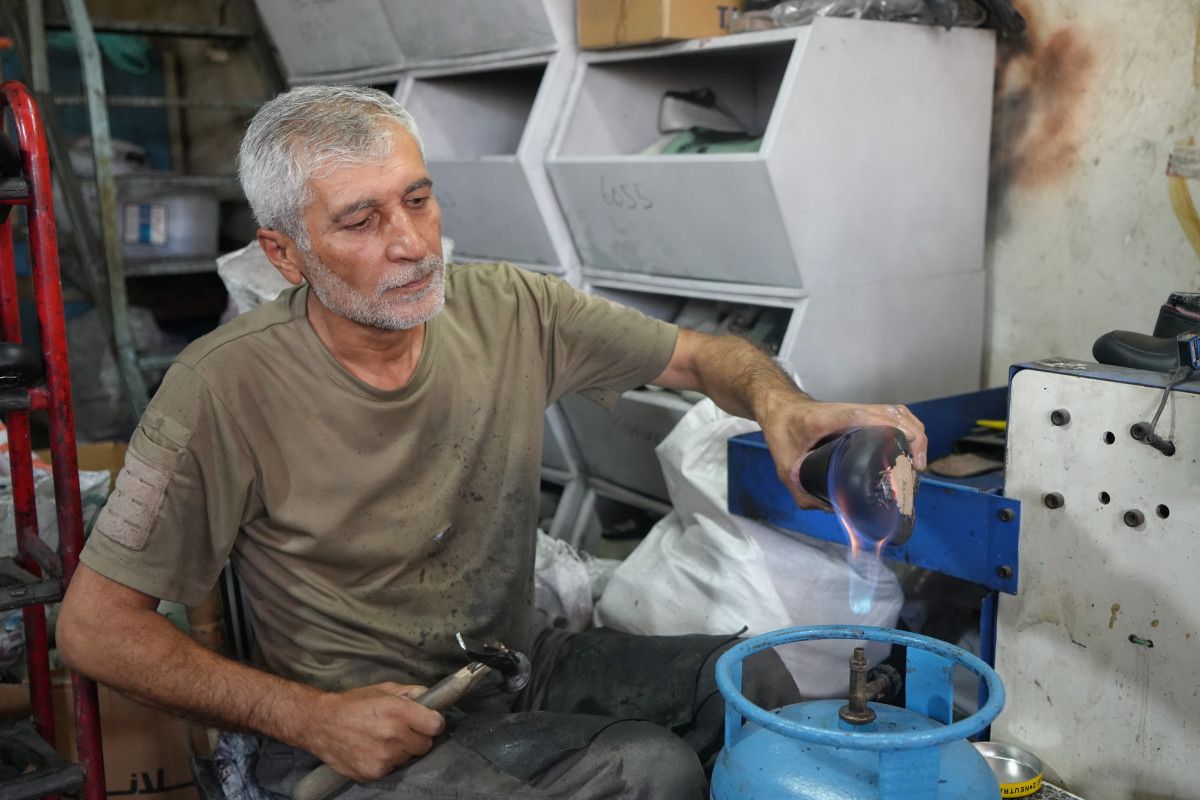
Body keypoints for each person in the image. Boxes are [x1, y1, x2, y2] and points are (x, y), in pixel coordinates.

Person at [56, 86, 928, 800]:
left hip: (509, 665)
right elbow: (94, 631)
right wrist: (308, 718)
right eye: (359, 222)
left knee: (750, 691)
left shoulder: (511, 308)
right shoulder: (221, 388)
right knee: (650, 771)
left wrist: (783, 405)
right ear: (286, 255)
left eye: (418, 200)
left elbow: (701, 354)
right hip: (354, 722)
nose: (411, 244)